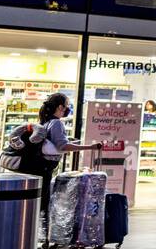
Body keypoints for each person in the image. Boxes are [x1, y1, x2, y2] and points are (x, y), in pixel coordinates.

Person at [22, 93, 102, 241]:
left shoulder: (45, 122)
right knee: (44, 202)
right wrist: (89, 147)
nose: (68, 108)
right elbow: (63, 146)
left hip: (37, 167)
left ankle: (35, 234)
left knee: (40, 199)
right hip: (44, 168)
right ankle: (40, 236)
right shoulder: (56, 123)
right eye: (67, 105)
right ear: (60, 107)